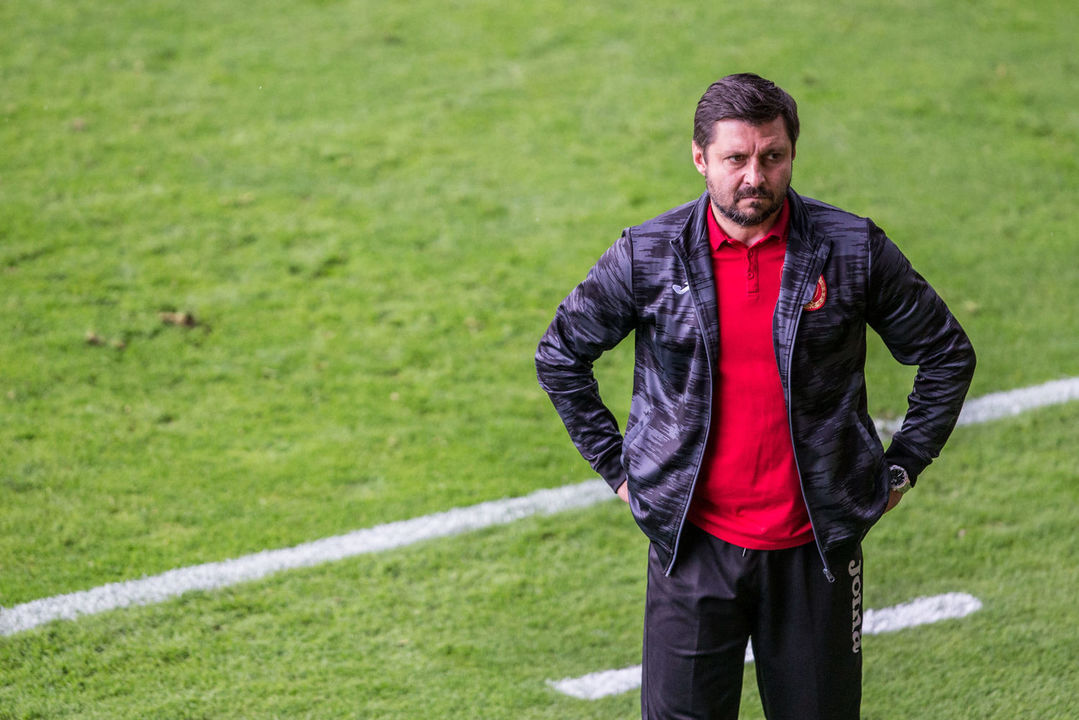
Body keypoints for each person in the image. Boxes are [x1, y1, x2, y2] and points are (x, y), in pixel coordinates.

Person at [535, 73, 976, 719]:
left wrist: (903, 466)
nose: (754, 177)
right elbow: (560, 354)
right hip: (692, 549)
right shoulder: (648, 255)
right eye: (735, 158)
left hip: (814, 552)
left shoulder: (850, 248)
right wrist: (620, 470)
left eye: (772, 156)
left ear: (792, 153)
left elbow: (946, 353)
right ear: (699, 158)